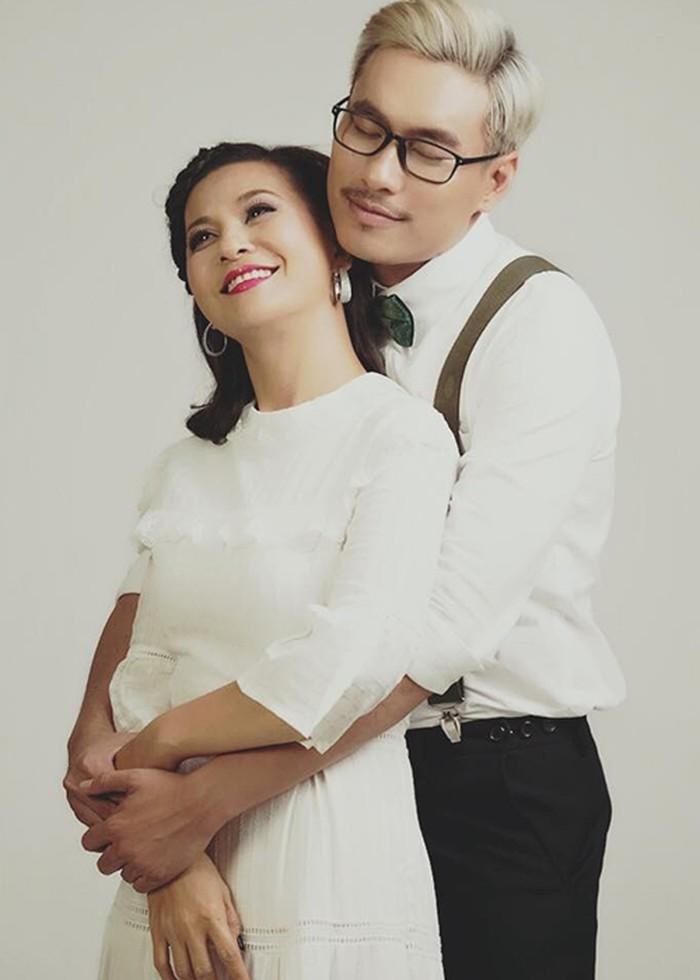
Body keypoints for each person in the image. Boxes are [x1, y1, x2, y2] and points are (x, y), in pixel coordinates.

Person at [70, 2, 625, 978]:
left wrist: (201, 799)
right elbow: (170, 563)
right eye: (364, 126)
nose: (377, 172)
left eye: (427, 150)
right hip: (313, 776)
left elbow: (428, 635)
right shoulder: (292, 301)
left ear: (496, 178)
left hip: (487, 774)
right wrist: (101, 742)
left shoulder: (539, 326)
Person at [87, 141, 459, 979]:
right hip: (167, 865)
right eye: (201, 237)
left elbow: (354, 659)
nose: (230, 244)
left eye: (259, 212)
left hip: (324, 845)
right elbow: (142, 670)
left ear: (336, 248)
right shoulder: (183, 467)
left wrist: (158, 748)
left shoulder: (400, 436)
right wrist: (174, 863)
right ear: (193, 286)